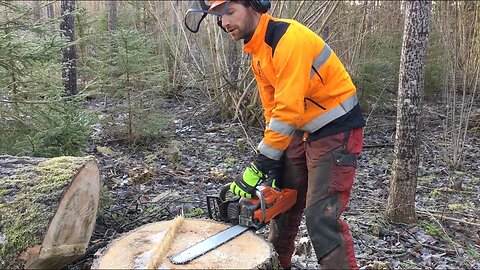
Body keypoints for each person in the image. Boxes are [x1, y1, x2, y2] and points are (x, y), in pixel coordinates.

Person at [193, 1, 366, 269]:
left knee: (321, 217)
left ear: (253, 6)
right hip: (300, 128)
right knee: (281, 202)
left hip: (335, 127)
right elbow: (272, 111)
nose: (224, 23)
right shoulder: (258, 53)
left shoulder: (288, 39)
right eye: (219, 17)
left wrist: (259, 164)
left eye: (229, 12)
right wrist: (273, 162)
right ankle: (276, 264)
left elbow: (288, 110)